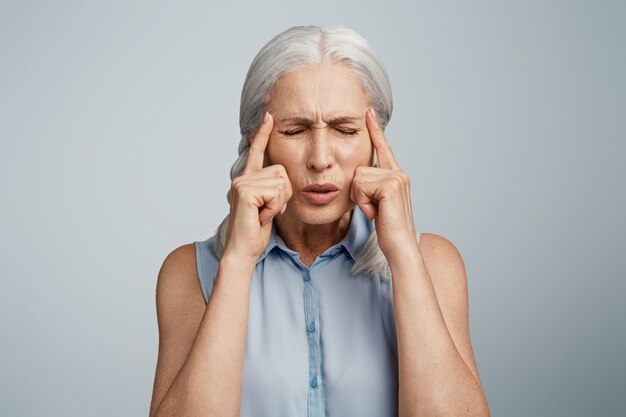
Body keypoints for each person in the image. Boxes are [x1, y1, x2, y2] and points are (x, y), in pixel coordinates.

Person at [149, 25, 490, 417]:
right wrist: (239, 260)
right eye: (294, 131)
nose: (320, 158)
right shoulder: (188, 273)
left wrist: (404, 257)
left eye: (345, 130)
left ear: (377, 142)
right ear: (254, 142)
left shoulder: (435, 263)